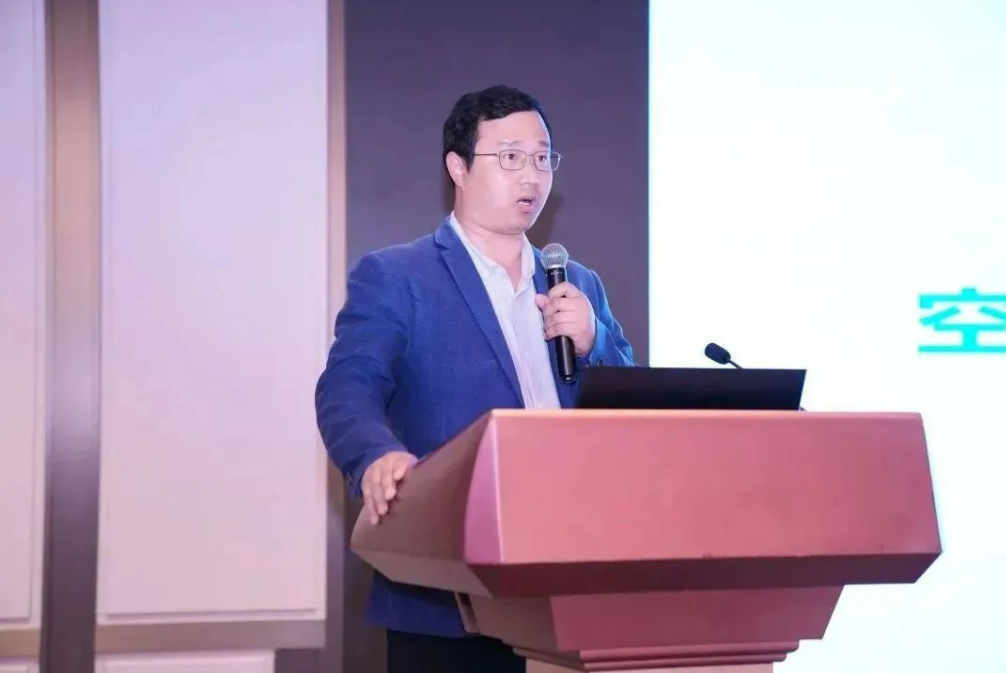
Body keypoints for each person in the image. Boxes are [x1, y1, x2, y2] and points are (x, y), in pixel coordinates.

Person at [315, 85, 635, 673]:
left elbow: (632, 416)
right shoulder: (399, 276)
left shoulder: (578, 283)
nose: (532, 175)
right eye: (510, 157)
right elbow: (346, 387)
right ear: (458, 167)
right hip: (448, 595)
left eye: (543, 158)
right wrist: (376, 456)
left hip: (571, 585)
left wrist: (598, 343)